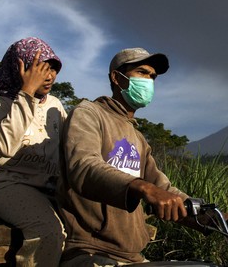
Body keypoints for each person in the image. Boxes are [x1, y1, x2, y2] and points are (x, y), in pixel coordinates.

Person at [57, 47, 189, 266]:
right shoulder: (88, 113)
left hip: (133, 257)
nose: (149, 81)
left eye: (153, 77)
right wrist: (144, 188)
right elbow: (83, 166)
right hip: (90, 251)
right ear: (117, 78)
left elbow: (163, 188)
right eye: (142, 73)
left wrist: (210, 216)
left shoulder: (138, 137)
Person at [0, 37, 67, 266]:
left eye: (53, 68)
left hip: (48, 187)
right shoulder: (3, 102)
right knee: (48, 231)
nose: (49, 75)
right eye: (40, 68)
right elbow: (5, 146)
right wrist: (26, 93)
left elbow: (67, 149)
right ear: (20, 68)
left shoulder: (55, 105)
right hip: (4, 183)